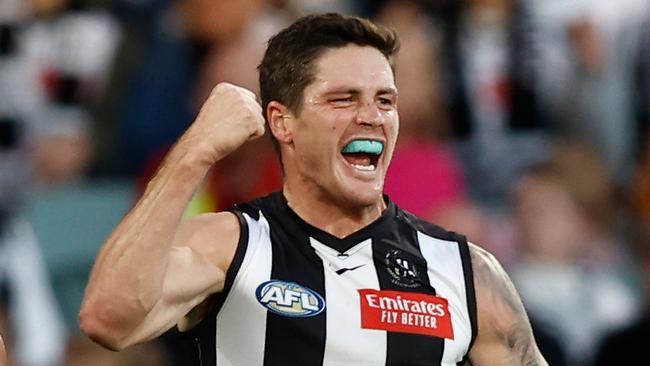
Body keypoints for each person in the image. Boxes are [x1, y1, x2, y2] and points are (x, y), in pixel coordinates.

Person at [79, 13, 548, 365]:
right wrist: (195, 150)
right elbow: (106, 318)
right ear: (283, 122)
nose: (371, 116)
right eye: (343, 99)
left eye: (385, 100)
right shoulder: (232, 245)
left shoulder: (466, 271)